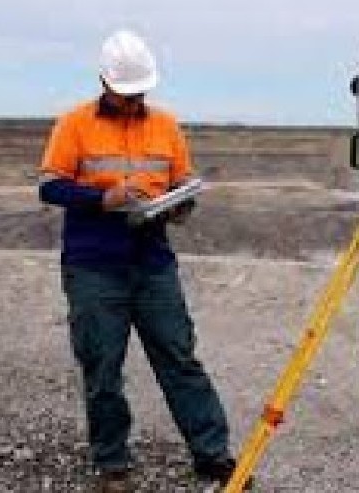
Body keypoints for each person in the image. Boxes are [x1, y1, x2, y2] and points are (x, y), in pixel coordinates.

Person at [38, 30, 246, 492]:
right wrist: (101, 198)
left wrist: (180, 204)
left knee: (179, 357)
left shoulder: (166, 125)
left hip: (152, 260)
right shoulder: (74, 124)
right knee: (103, 367)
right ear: (104, 82)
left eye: (140, 94)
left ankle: (212, 454)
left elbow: (182, 180)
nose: (133, 102)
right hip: (94, 264)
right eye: (125, 93)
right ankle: (112, 463)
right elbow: (49, 186)